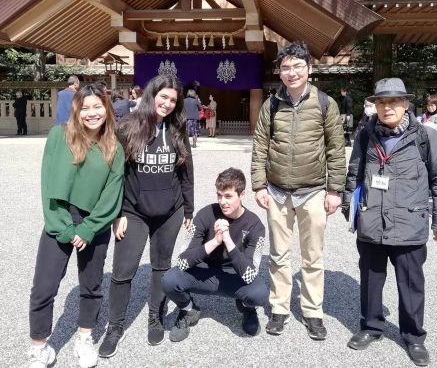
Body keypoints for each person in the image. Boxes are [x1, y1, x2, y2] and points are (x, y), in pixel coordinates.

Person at [343, 78, 437, 367]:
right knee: (370, 280)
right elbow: (353, 174)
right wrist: (349, 209)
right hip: (372, 222)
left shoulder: (426, 136)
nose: (387, 107)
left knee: (411, 284)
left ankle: (414, 337)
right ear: (375, 105)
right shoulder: (366, 135)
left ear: (405, 104)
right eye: (381, 102)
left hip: (410, 222)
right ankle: (371, 327)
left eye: (393, 101)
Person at [251, 40, 345, 339]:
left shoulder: (325, 103)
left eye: (297, 66)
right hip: (277, 191)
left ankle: (312, 310)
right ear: (279, 72)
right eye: (285, 67)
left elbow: (336, 149)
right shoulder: (272, 104)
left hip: (314, 190)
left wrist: (335, 190)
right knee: (279, 254)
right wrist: (258, 184)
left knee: (312, 255)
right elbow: (260, 146)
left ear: (309, 69)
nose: (291, 72)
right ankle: (279, 308)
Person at [28, 84, 125, 368]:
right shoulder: (59, 136)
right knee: (44, 286)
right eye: (85, 108)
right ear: (76, 110)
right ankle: (39, 346)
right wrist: (64, 227)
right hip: (59, 217)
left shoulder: (114, 148)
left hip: (93, 222)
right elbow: (48, 183)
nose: (92, 113)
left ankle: (85, 338)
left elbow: (112, 193)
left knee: (91, 284)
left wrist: (88, 228)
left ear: (107, 110)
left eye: (98, 107)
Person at [99, 74, 194, 358]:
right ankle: (114, 327)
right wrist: (116, 213)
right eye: (163, 97)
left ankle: (156, 316)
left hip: (170, 211)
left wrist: (188, 208)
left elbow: (186, 172)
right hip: (134, 212)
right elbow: (114, 175)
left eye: (172, 100)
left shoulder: (178, 130)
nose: (166, 103)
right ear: (151, 95)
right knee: (122, 271)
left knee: (161, 267)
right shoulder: (127, 127)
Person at [162, 167, 268, 341]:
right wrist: (214, 242)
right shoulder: (205, 214)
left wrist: (227, 240)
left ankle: (246, 308)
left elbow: (250, 274)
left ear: (241, 195)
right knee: (169, 280)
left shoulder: (255, 225)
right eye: (219, 195)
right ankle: (189, 310)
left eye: (228, 196)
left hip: (235, 275)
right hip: (205, 273)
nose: (222, 201)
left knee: (259, 294)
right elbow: (181, 261)